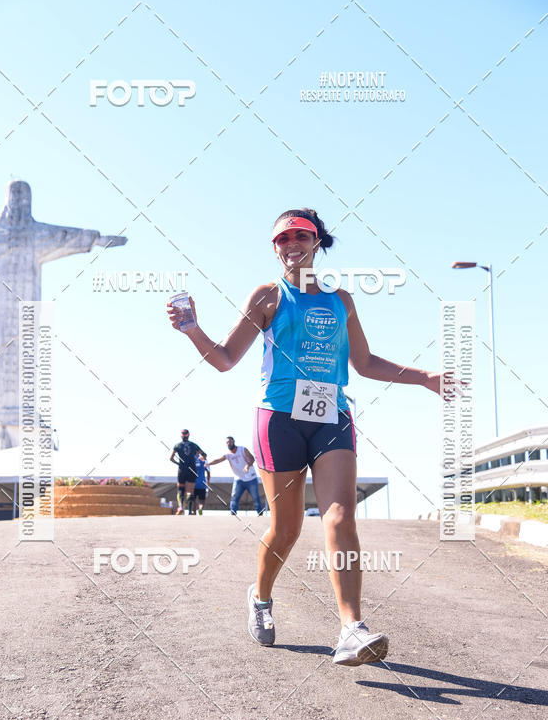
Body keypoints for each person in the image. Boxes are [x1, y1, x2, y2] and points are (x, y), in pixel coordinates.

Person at [166, 208, 442, 665]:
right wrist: (193, 329)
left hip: (332, 415)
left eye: (301, 236)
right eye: (282, 239)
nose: (291, 244)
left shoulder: (342, 300)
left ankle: (352, 628)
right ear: (275, 248)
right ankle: (260, 596)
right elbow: (225, 359)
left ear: (318, 243)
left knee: (340, 515)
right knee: (288, 527)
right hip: (278, 419)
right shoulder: (268, 296)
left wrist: (426, 377)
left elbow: (366, 364)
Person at [209, 436, 264, 515]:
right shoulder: (227, 454)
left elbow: (252, 458)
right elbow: (218, 460)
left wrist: (247, 465)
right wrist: (207, 464)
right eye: (227, 442)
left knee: (255, 497)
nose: (229, 443)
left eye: (230, 442)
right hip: (239, 479)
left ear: (233, 441)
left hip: (250, 478)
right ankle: (233, 512)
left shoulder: (242, 449)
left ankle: (260, 513)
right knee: (234, 497)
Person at [169, 429, 206, 516]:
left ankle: (181, 507)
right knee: (190, 491)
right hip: (192, 469)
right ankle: (190, 511)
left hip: (182, 469)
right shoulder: (194, 445)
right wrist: (201, 458)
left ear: (181, 435)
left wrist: (178, 463)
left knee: (180, 489)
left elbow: (171, 458)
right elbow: (204, 454)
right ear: (188, 435)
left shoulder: (177, 445)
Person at [193, 450, 210, 515]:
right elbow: (208, 473)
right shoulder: (205, 462)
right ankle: (200, 509)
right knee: (202, 500)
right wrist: (208, 482)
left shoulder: (194, 460)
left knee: (193, 499)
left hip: (194, 483)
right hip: (202, 483)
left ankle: (194, 512)